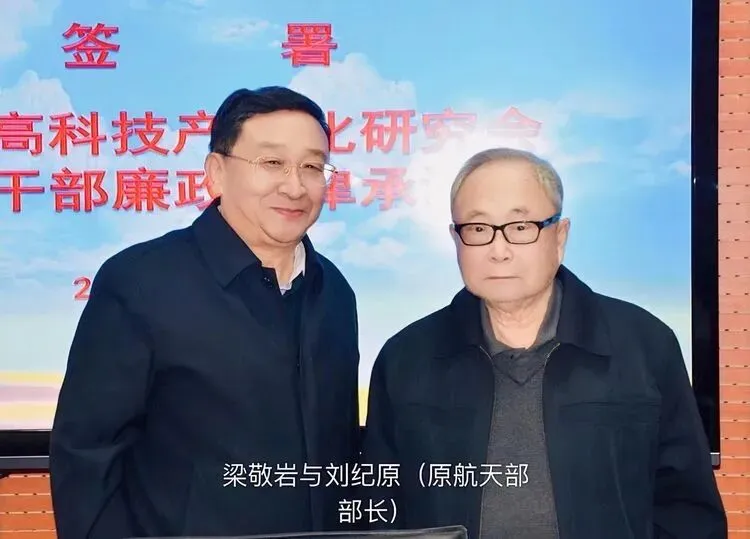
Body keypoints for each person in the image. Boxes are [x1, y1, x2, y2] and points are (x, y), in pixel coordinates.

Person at [361, 148, 727, 539]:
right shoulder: (406, 359)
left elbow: (689, 513)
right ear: (456, 238)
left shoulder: (643, 345)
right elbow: (381, 511)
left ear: (560, 235)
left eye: (521, 227)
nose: (498, 251)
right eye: (478, 229)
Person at [50, 87, 361, 538]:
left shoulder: (335, 293)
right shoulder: (141, 283)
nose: (295, 186)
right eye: (272, 162)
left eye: (312, 167)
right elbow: (87, 460)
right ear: (217, 171)